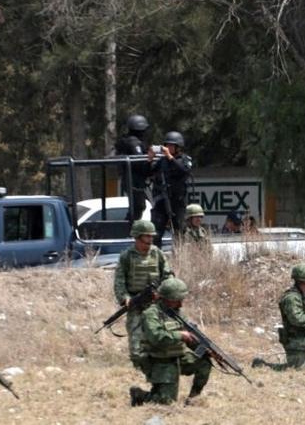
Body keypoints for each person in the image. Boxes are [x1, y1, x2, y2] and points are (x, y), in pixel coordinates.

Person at [129, 278, 212, 405]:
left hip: (178, 357)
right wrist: (180, 335)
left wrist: (202, 348)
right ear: (167, 299)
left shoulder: (177, 313)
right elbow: (156, 337)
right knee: (166, 402)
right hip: (160, 362)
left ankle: (193, 398)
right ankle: (140, 395)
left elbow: (189, 338)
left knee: (204, 362)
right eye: (177, 301)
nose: (181, 304)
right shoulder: (151, 314)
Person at [251, 263, 305, 370]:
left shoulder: (302, 294)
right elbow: (297, 319)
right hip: (295, 339)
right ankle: (263, 365)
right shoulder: (292, 298)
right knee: (296, 369)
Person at [114, 220, 173, 372]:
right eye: (147, 237)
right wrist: (125, 298)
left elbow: (168, 275)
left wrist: (164, 293)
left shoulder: (158, 254)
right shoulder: (127, 256)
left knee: (159, 338)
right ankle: (139, 368)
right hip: (136, 302)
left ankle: (158, 369)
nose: (150, 240)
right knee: (136, 345)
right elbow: (119, 281)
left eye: (151, 236)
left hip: (156, 303)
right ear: (137, 237)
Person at [145, 131, 192, 247]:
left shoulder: (184, 159)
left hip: (177, 201)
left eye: (172, 146)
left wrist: (170, 157)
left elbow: (184, 170)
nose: (168, 148)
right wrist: (149, 159)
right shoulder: (162, 161)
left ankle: (179, 258)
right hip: (162, 200)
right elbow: (148, 173)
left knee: (179, 232)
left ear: (178, 147)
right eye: (167, 146)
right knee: (156, 231)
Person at [114, 114, 151, 221]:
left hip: (133, 179)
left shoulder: (129, 141)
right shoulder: (134, 142)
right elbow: (139, 160)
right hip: (133, 180)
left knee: (140, 206)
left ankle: (130, 228)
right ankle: (128, 229)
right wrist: (149, 159)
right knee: (139, 206)